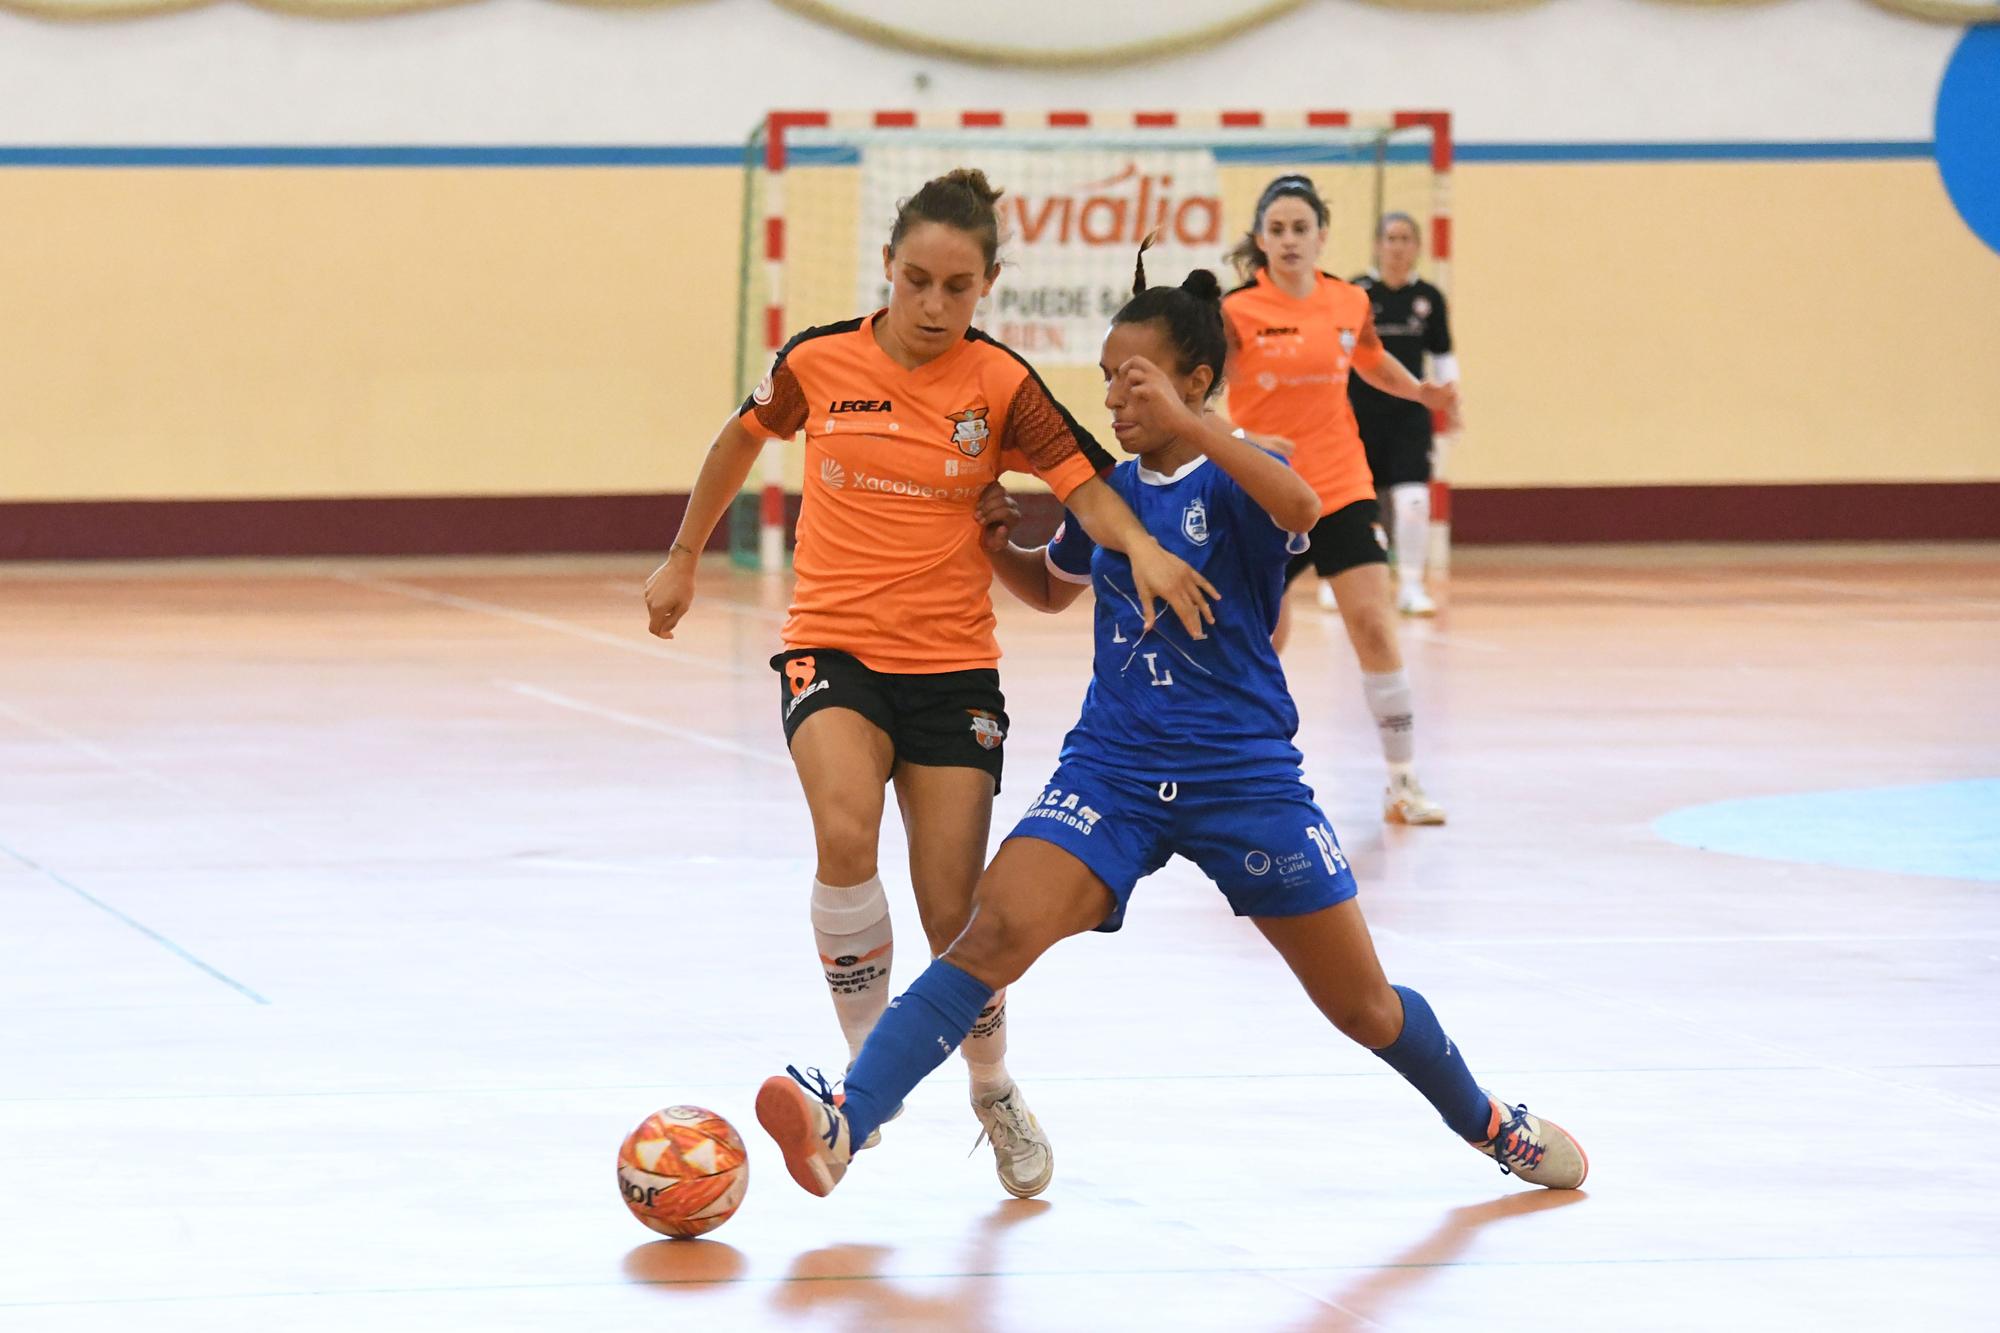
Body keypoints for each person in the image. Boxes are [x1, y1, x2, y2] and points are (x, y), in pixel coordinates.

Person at [752, 253, 1588, 1203]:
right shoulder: (1106, 495)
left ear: (1195, 380)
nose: (1112, 396)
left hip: (1244, 781)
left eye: (1133, 376)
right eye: (1105, 377)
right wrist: (998, 541)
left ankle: (1489, 1123)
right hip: (1111, 772)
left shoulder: (1243, 473)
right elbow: (1052, 588)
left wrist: (1201, 428)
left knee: (1363, 1005)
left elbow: (1303, 505)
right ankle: (847, 1122)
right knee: (985, 935)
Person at [641, 170, 1216, 1199]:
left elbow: (1087, 487)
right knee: (844, 831)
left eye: (957, 288)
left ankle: (990, 1087)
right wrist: (684, 553)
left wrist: (1150, 552)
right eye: (916, 281)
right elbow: (742, 436)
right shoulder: (817, 360)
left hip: (952, 666)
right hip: (833, 645)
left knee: (958, 911)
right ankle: (866, 1092)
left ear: (987, 283)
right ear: (887, 269)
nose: (933, 306)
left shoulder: (999, 385)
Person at [1220, 174, 1455, 826]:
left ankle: (1403, 782)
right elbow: (1198, 394)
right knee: (1259, 637)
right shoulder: (1236, 312)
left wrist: (1421, 393)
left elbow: (1373, 361)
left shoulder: (1349, 301)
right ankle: (1245, 770)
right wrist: (1239, 438)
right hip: (1264, 491)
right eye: (1278, 229)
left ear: (1322, 235)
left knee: (1374, 625)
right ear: (1261, 239)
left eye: (1302, 228)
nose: (1290, 240)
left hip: (1341, 487)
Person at [1351, 212, 1459, 617]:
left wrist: (1452, 400)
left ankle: (1412, 585)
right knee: (1356, 503)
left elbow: (1443, 355)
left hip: (1409, 417)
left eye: (1406, 239)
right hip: (1359, 414)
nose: (1398, 246)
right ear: (1378, 244)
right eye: (1391, 238)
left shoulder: (1429, 298)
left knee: (1413, 500)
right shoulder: (1355, 292)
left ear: (1417, 246)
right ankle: (1337, 579)